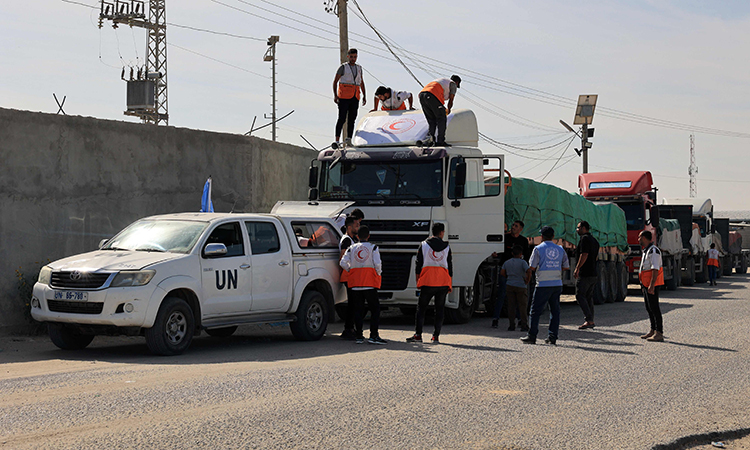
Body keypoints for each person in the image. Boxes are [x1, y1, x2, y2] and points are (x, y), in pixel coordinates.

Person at [521, 226, 569, 345]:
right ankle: (552, 337)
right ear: (553, 236)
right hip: (557, 284)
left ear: (541, 237)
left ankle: (532, 336)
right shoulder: (560, 249)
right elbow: (566, 267)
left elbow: (531, 267)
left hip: (542, 284)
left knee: (535, 311)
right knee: (555, 311)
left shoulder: (538, 249)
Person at [407, 222, 453, 344]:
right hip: (442, 282)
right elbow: (450, 266)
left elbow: (418, 264)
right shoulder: (447, 247)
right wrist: (449, 283)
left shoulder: (423, 245)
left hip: (427, 281)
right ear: (442, 232)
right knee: (439, 309)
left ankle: (418, 335)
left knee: (421, 309)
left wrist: (418, 280)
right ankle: (436, 335)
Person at [339, 225, 386, 344]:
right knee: (375, 309)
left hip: (355, 284)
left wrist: (351, 270)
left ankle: (359, 336)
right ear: (368, 236)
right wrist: (378, 274)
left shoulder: (351, 248)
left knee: (358, 310)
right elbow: (378, 264)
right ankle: (373, 335)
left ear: (358, 236)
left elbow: (343, 262)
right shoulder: (373, 248)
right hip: (370, 284)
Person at [491, 220, 529, 329]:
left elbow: (527, 257)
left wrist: (526, 275)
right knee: (502, 295)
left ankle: (520, 319)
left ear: (521, 229)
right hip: (506, 270)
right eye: (513, 225)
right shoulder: (505, 238)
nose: (513, 227)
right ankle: (495, 319)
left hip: (518, 273)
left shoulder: (523, 241)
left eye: (516, 226)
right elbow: (498, 251)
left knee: (519, 297)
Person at [333, 48, 366, 145]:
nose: (353, 59)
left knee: (352, 119)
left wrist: (364, 95)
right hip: (344, 97)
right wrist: (335, 95)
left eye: (355, 57)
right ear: (348, 56)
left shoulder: (359, 68)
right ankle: (337, 140)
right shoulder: (343, 67)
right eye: (351, 57)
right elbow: (335, 82)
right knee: (342, 118)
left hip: (355, 96)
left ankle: (349, 139)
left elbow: (361, 82)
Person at [418, 75, 461, 147]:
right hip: (432, 95)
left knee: (432, 120)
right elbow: (451, 99)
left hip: (422, 96)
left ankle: (430, 140)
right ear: (457, 82)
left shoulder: (442, 81)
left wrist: (443, 109)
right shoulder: (452, 84)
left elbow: (437, 103)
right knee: (442, 118)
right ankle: (440, 141)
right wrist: (449, 109)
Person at [638, 230, 665, 342]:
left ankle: (659, 332)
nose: (638, 239)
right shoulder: (646, 250)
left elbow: (655, 268)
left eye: (639, 237)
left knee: (654, 307)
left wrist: (652, 285)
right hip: (646, 283)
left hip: (652, 284)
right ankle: (652, 329)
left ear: (644, 238)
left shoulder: (653, 251)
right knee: (649, 307)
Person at [573, 221, 600, 329]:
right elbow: (596, 257)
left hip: (586, 273)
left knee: (580, 295)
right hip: (593, 273)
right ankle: (590, 320)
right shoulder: (595, 240)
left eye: (578, 227)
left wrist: (577, 268)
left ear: (584, 228)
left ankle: (588, 319)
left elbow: (584, 254)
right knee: (588, 297)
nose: (577, 230)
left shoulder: (584, 239)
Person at [338, 216, 360, 340]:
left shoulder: (353, 239)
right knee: (353, 303)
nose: (358, 227)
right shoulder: (346, 240)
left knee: (354, 303)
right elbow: (342, 259)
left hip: (352, 276)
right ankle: (348, 329)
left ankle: (350, 328)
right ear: (349, 227)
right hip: (349, 276)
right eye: (356, 225)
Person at [500, 245, 530, 331]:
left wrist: (508, 277)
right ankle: (524, 325)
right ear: (521, 254)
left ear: (512, 253)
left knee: (511, 306)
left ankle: (511, 325)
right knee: (522, 306)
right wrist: (527, 279)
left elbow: (502, 272)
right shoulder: (523, 262)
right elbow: (528, 270)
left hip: (510, 285)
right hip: (521, 285)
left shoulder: (507, 262)